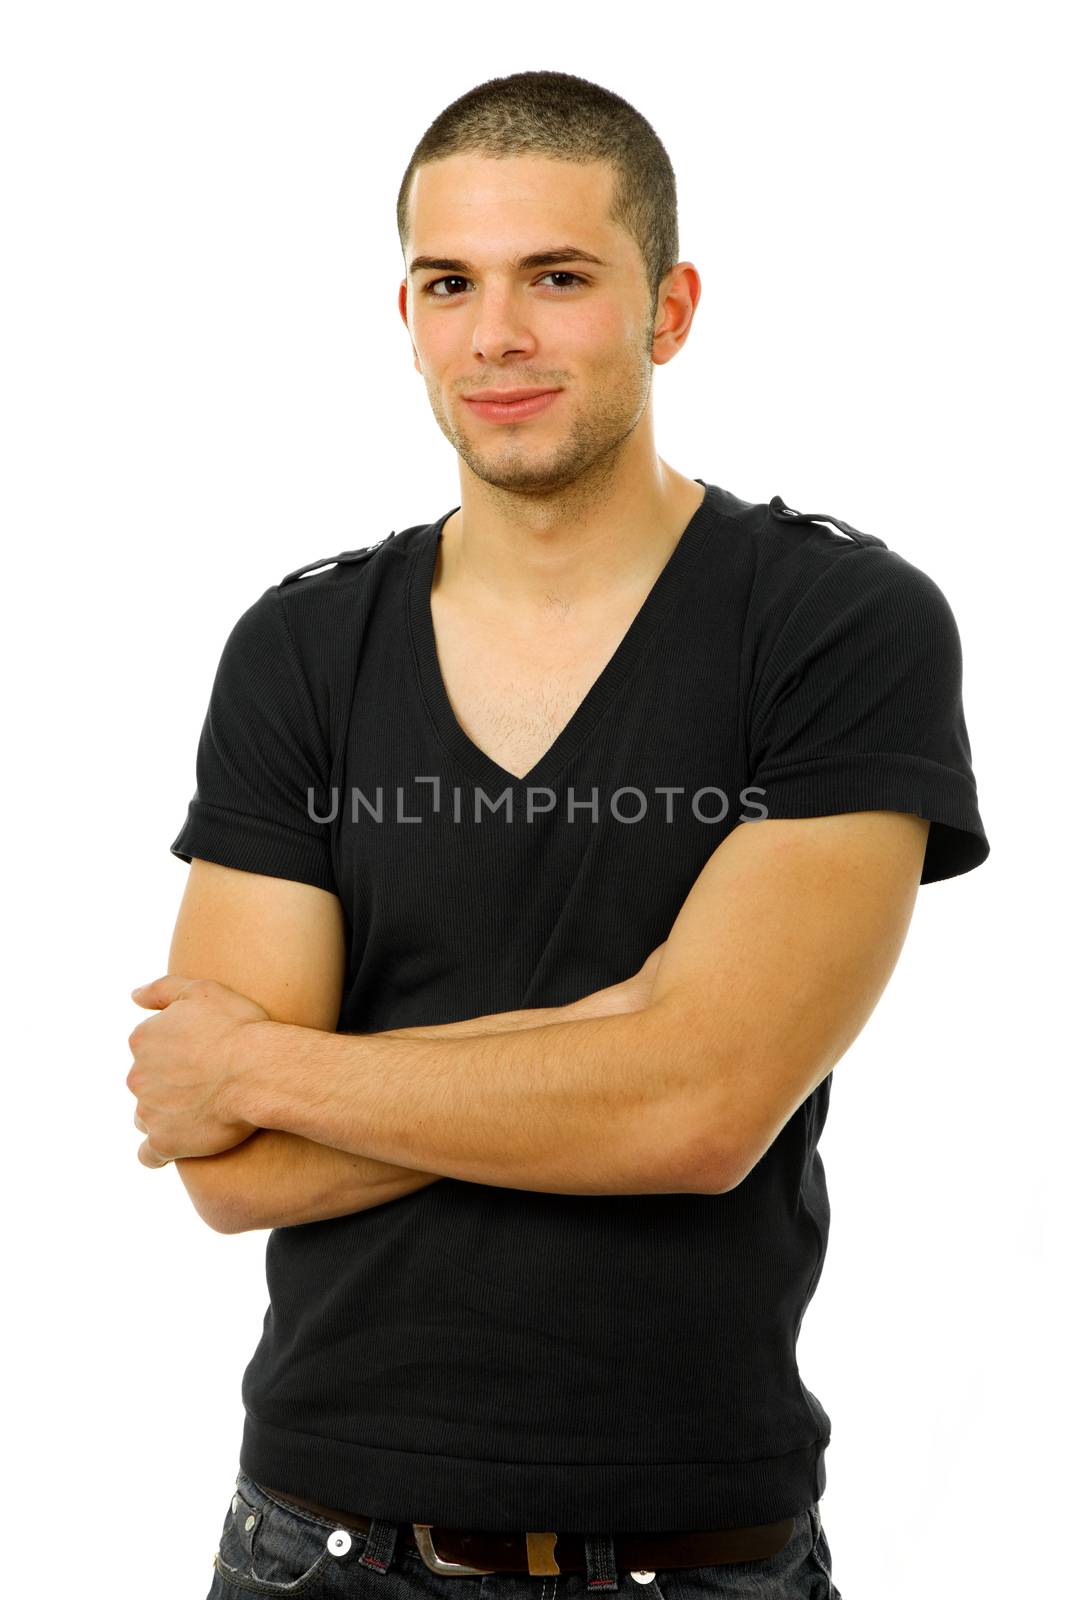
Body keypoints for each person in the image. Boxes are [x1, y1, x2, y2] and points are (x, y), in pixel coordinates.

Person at [130, 70, 990, 1599]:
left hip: (696, 1553)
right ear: (405, 314)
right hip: (314, 1544)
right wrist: (608, 1045)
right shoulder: (302, 649)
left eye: (559, 278)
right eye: (449, 283)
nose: (497, 335)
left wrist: (266, 1060)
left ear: (670, 309)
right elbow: (231, 1170)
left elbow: (701, 1113)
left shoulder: (833, 625)